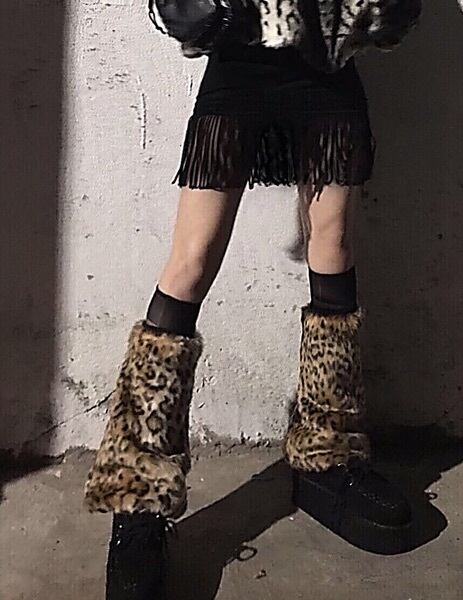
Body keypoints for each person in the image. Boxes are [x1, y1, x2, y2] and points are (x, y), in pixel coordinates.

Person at [83, 0, 422, 597]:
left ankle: (328, 454)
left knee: (334, 245)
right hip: (240, 67)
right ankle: (137, 494)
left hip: (327, 68)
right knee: (190, 263)